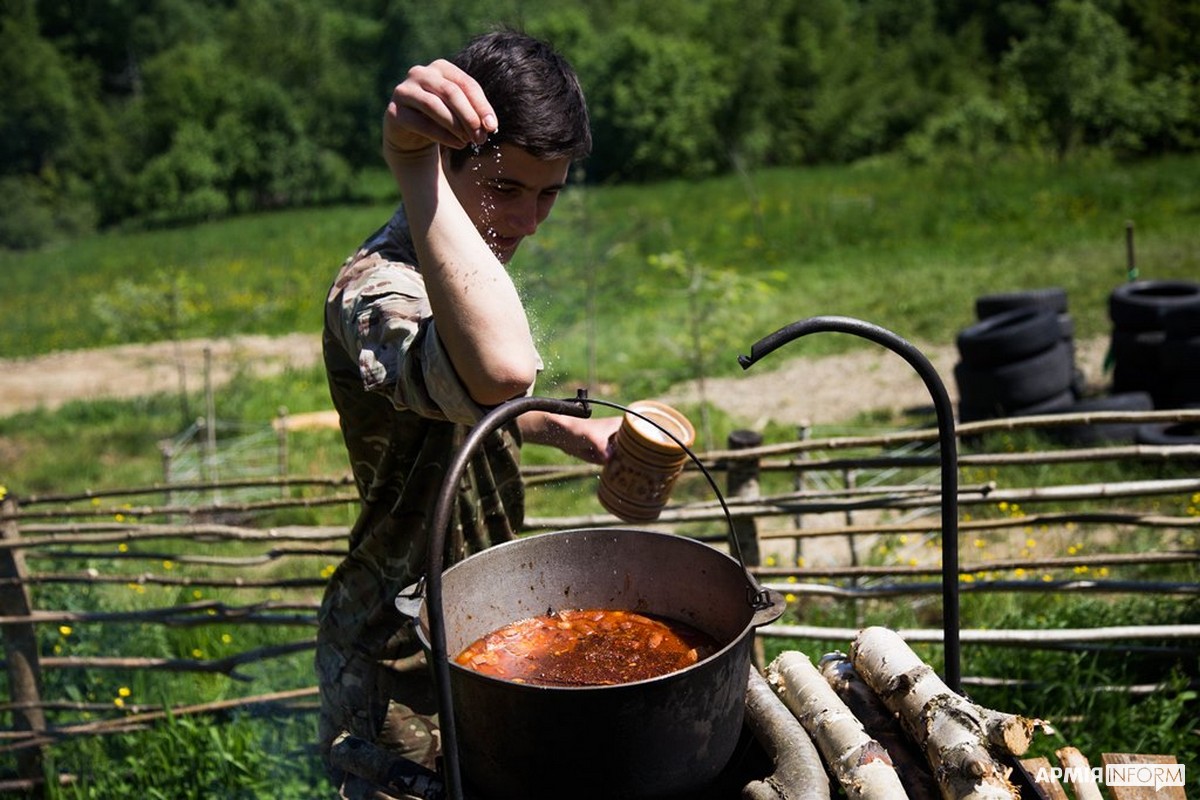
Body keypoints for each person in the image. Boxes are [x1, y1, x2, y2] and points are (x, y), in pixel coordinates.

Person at [316, 29, 620, 799]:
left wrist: (565, 428)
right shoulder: (378, 288)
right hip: (399, 663)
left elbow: (466, 406)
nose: (528, 221)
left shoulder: (463, 258)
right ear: (447, 157)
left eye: (548, 192)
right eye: (506, 188)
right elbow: (498, 372)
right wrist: (412, 163)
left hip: (483, 630)